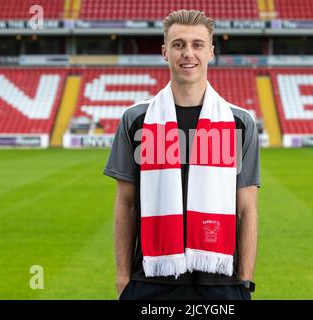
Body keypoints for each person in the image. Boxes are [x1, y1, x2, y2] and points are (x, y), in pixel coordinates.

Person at [104, 9, 260, 300]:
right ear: (165, 52)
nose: (188, 53)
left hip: (221, 282)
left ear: (211, 51)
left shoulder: (240, 122)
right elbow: (125, 204)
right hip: (152, 278)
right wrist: (123, 278)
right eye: (179, 44)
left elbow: (247, 209)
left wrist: (245, 281)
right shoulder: (136, 119)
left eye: (197, 44)